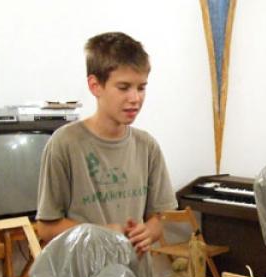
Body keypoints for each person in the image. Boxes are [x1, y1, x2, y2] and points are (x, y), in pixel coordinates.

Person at [36, 32, 177, 258]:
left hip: (134, 275)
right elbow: (46, 229)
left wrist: (148, 232)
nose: (135, 98)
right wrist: (100, 234)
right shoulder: (65, 144)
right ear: (95, 86)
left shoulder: (147, 146)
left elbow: (160, 218)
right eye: (123, 87)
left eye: (141, 87)